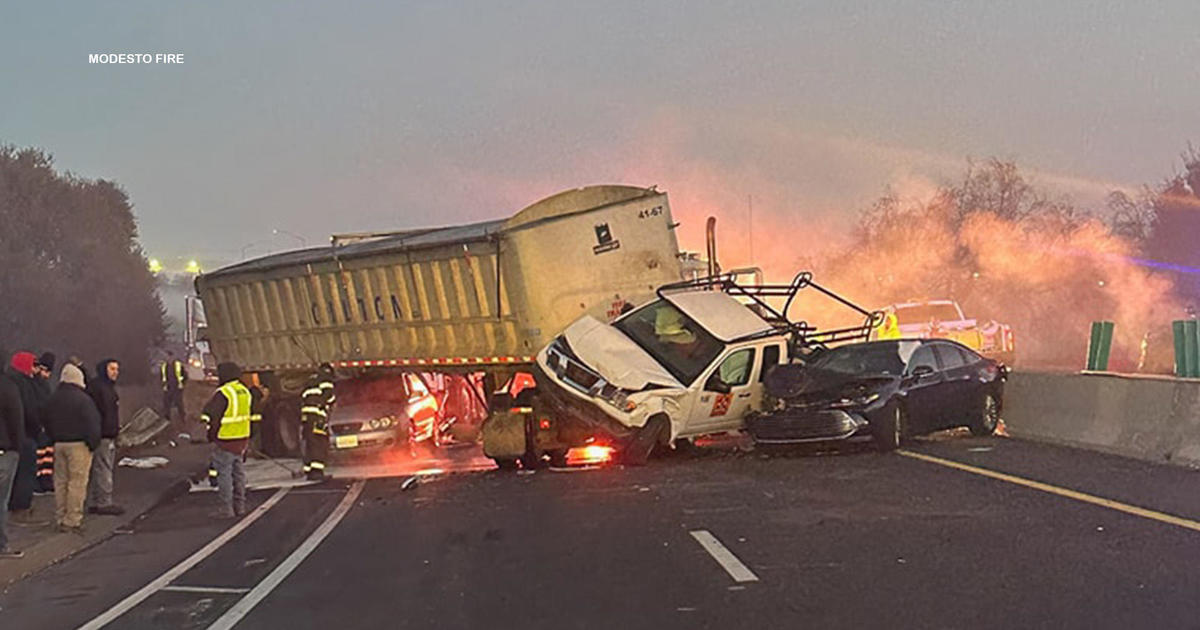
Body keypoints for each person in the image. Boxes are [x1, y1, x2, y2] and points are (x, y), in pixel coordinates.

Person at [42, 364, 99, 533]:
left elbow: (45, 420)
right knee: (77, 483)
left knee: (60, 482)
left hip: (59, 444)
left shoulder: (53, 399)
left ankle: (60, 516)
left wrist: (53, 437)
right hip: (79, 445)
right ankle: (72, 519)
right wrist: (92, 443)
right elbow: (92, 423)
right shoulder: (83, 400)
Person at [200, 363, 254, 518]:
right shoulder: (244, 391)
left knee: (224, 475)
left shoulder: (223, 393)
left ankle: (226, 509)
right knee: (239, 474)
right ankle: (240, 506)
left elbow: (215, 417)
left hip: (225, 439)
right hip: (242, 439)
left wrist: (211, 435)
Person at [7, 352, 47, 525]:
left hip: (12, 437)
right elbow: (30, 410)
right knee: (25, 473)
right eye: (33, 365)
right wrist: (38, 428)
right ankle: (20, 510)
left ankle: (14, 508)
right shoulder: (24, 385)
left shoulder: (11, 382)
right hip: (25, 435)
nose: (34, 370)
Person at [86, 359, 124, 516]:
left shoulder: (103, 387)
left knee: (99, 468)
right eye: (112, 368)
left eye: (117, 369)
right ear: (104, 370)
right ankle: (104, 502)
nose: (116, 372)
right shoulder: (102, 389)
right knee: (104, 468)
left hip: (103, 433)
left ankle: (96, 501)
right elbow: (105, 413)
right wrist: (110, 431)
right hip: (103, 434)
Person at [0, 359, 26, 558]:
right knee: (1, 500)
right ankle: (2, 545)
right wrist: (18, 447)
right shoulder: (8, 387)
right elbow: (16, 419)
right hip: (4, 451)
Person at [301, 363, 335, 481]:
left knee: (310, 443)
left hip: (307, 418)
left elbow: (303, 398)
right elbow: (329, 396)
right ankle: (317, 472)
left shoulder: (309, 381)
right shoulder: (325, 379)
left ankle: (309, 470)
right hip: (318, 417)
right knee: (319, 443)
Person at [33, 352, 56, 494]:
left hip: (46, 425)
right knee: (40, 455)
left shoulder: (44, 385)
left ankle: (45, 480)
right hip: (39, 424)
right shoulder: (36, 384)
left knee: (47, 454)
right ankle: (39, 482)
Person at [160, 351, 187, 423]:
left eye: (168, 357)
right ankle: (167, 419)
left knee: (179, 403)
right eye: (166, 357)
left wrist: (182, 384)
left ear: (172, 357)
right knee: (166, 403)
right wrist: (163, 385)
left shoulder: (178, 365)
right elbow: (162, 377)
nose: (167, 358)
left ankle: (182, 418)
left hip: (176, 388)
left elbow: (185, 375)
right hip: (168, 387)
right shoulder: (164, 366)